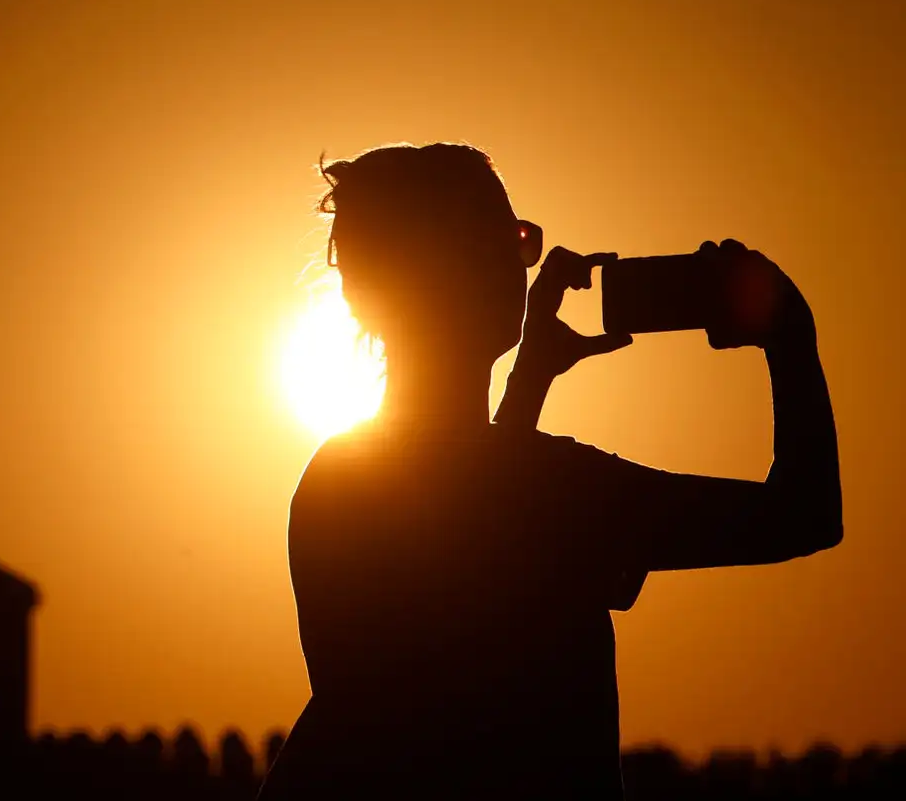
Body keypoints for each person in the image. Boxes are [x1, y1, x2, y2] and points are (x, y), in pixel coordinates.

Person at [261, 142, 841, 799]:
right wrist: (789, 331)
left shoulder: (335, 481)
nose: (522, 261)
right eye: (508, 239)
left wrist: (532, 375)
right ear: (463, 268)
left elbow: (467, 529)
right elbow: (801, 515)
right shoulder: (558, 491)